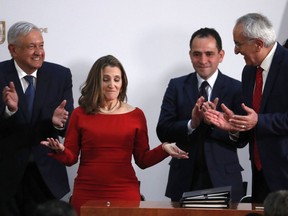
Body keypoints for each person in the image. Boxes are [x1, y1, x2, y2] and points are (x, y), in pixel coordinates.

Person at [41, 55, 188, 215]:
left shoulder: (136, 115)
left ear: (122, 82)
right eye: (106, 79)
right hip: (87, 191)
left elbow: (143, 160)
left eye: (117, 79)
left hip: (124, 192)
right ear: (97, 82)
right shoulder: (79, 114)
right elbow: (70, 159)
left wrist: (164, 148)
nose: (112, 85)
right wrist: (60, 150)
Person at [205, 13, 288, 203]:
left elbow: (259, 120)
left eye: (238, 43)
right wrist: (235, 126)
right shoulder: (249, 71)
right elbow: (251, 123)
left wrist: (259, 120)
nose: (235, 50)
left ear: (258, 44)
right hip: (260, 175)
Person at [156, 28, 245, 202]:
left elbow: (244, 139)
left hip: (224, 179)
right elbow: (163, 131)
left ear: (221, 55)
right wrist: (192, 123)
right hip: (184, 179)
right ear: (190, 55)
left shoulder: (237, 88)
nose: (203, 60)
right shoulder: (176, 86)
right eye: (197, 54)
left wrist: (231, 128)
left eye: (209, 54)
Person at [0, 21, 74, 216]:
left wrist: (60, 124)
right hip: (6, 178)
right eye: (32, 46)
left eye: (41, 45)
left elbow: (69, 127)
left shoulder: (60, 75)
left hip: (46, 177)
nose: (38, 52)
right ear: (13, 49)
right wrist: (9, 111)